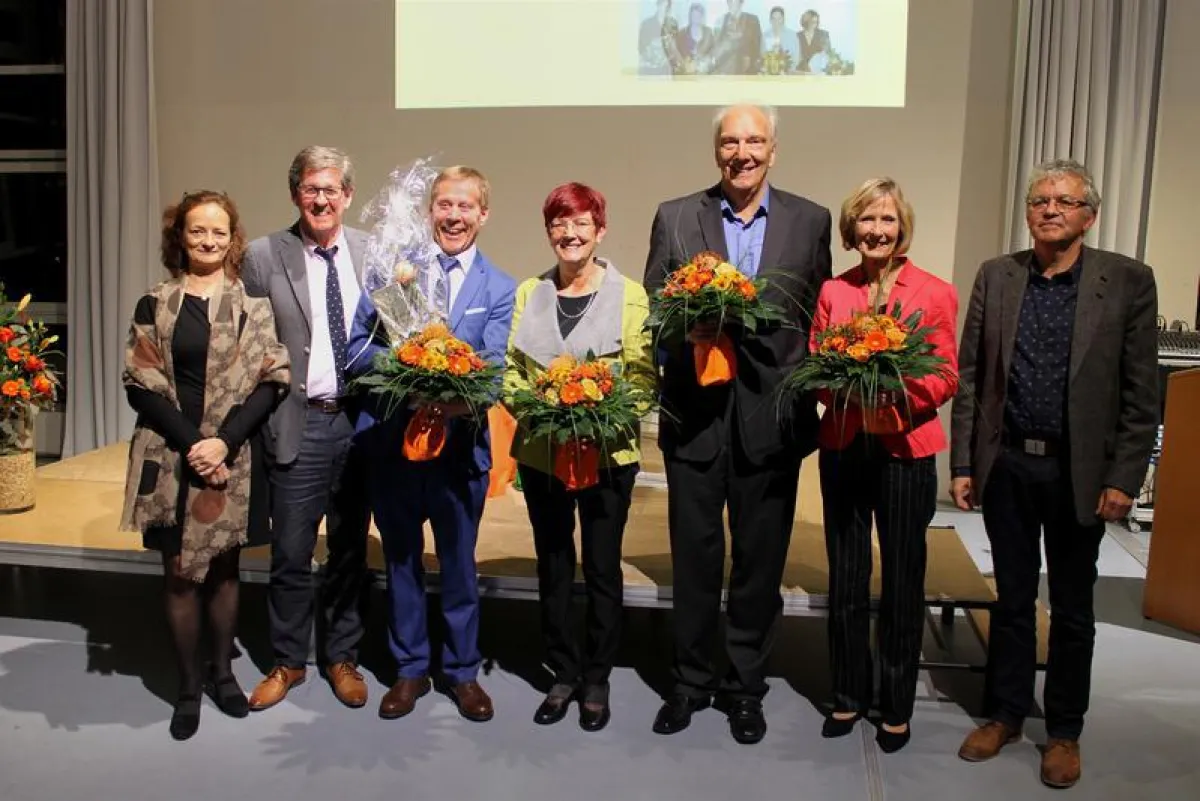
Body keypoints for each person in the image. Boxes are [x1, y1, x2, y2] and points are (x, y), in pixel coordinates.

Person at [950, 159, 1158, 789]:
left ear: (1088, 215)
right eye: (1039, 200)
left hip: (1080, 472)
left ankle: (1064, 729)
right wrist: (963, 462)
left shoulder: (1126, 281)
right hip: (1009, 463)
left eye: (1063, 202)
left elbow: (1140, 392)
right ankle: (1006, 713)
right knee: (1011, 600)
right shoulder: (998, 275)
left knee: (1071, 608)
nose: (1048, 210)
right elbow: (970, 380)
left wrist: (1124, 476)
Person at [643, 103, 832, 744]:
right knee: (694, 560)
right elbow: (652, 316)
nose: (742, 152)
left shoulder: (810, 220)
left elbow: (817, 316)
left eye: (755, 141)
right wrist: (683, 328)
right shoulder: (675, 216)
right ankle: (691, 682)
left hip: (771, 418)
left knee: (759, 563)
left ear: (774, 150)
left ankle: (744, 687)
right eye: (730, 141)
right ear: (716, 151)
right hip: (696, 419)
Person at [346, 166, 516, 723]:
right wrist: (405, 369)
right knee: (400, 561)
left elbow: (492, 371)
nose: (454, 216)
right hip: (395, 448)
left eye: (466, 206)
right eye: (444, 204)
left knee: (460, 567)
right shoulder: (395, 273)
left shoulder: (499, 287)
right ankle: (410, 668)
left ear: (483, 215)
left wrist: (449, 394)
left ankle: (463, 673)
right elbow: (358, 351)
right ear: (430, 211)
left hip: (459, 452)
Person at [121, 191, 290, 740]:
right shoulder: (156, 302)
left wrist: (224, 444)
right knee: (178, 576)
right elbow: (140, 385)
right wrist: (196, 443)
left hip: (234, 460)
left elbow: (273, 380)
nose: (208, 241)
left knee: (223, 572)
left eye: (219, 232)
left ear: (232, 238)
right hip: (171, 457)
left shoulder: (253, 307)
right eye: (197, 231)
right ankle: (189, 687)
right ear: (180, 237)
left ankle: (223, 675)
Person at [809, 178, 958, 753]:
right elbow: (816, 363)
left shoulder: (934, 291)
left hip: (905, 451)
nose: (877, 231)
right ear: (852, 229)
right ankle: (847, 695)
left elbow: (946, 373)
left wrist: (894, 392)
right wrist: (844, 385)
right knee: (845, 578)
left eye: (888, 221)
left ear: (903, 229)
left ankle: (894, 705)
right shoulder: (833, 291)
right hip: (846, 446)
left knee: (901, 580)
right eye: (867, 220)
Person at [502, 183, 655, 732]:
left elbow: (642, 378)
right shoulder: (529, 292)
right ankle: (562, 671)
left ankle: (597, 676)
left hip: (608, 455)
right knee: (555, 567)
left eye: (581, 223)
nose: (569, 234)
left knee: (603, 567)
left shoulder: (631, 294)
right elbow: (512, 375)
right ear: (549, 232)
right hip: (542, 455)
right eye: (558, 224)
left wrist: (597, 416)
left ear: (600, 230)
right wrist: (543, 410)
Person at [241, 146, 374, 712]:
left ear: (347, 195)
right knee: (292, 552)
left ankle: (342, 656)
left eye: (332, 190)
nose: (321, 199)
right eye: (310, 189)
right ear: (296, 193)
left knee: (348, 548)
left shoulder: (375, 251)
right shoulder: (264, 255)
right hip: (300, 421)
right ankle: (289, 661)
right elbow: (245, 349)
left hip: (361, 422)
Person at [712, 0, 762, 75]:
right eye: (729, 1)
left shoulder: (752, 20)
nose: (732, 4)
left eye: (735, 1)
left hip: (748, 71)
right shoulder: (721, 20)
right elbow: (717, 46)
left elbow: (757, 45)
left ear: (741, 2)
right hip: (726, 71)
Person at [760, 6, 800, 72]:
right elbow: (763, 56)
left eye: (779, 18)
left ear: (783, 19)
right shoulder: (765, 36)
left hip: (788, 74)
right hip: (770, 74)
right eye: (773, 18)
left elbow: (796, 58)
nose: (776, 21)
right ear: (770, 20)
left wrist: (788, 71)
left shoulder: (792, 35)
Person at [675, 3, 715, 67]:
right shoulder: (682, 34)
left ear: (702, 17)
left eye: (698, 15)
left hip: (704, 71)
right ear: (690, 16)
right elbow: (677, 54)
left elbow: (713, 50)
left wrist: (708, 59)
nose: (696, 17)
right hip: (687, 71)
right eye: (694, 15)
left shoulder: (708, 32)